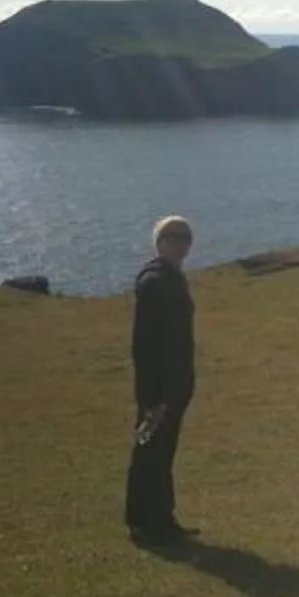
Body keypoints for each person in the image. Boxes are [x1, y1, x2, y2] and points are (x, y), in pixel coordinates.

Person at [125, 214, 198, 546]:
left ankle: (160, 518)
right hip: (160, 386)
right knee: (151, 451)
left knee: (162, 451)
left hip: (176, 383)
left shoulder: (173, 279)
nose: (181, 245)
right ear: (160, 243)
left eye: (185, 240)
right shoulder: (154, 283)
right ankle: (144, 522)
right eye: (174, 239)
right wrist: (152, 397)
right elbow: (144, 345)